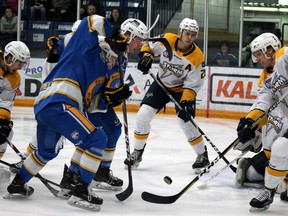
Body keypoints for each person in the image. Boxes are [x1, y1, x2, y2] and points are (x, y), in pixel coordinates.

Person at [5, 15, 128, 211]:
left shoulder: (99, 72)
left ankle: (18, 183)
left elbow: (91, 104)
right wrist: (114, 33)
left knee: (46, 151)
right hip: (60, 101)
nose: (114, 62)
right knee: (97, 139)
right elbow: (93, 19)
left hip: (45, 105)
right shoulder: (87, 48)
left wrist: (112, 97)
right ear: (105, 50)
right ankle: (81, 190)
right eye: (113, 57)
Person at [124, 18, 210, 174]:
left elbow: (193, 85)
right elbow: (147, 45)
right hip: (161, 83)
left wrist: (185, 102)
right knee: (143, 114)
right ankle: (137, 152)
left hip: (181, 89)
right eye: (186, 33)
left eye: (193, 34)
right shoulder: (167, 39)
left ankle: (202, 155)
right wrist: (146, 56)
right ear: (180, 32)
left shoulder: (197, 57)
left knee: (185, 121)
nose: (189, 37)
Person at [236, 32, 288, 211]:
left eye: (259, 54)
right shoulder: (268, 80)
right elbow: (263, 102)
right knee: (278, 145)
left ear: (270, 50)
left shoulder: (283, 56)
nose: (257, 59)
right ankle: (268, 190)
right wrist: (249, 122)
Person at [0, 41, 30, 182]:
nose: (21, 67)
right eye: (19, 63)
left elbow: (5, 103)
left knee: (7, 133)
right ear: (10, 58)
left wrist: (4, 122)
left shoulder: (15, 77)